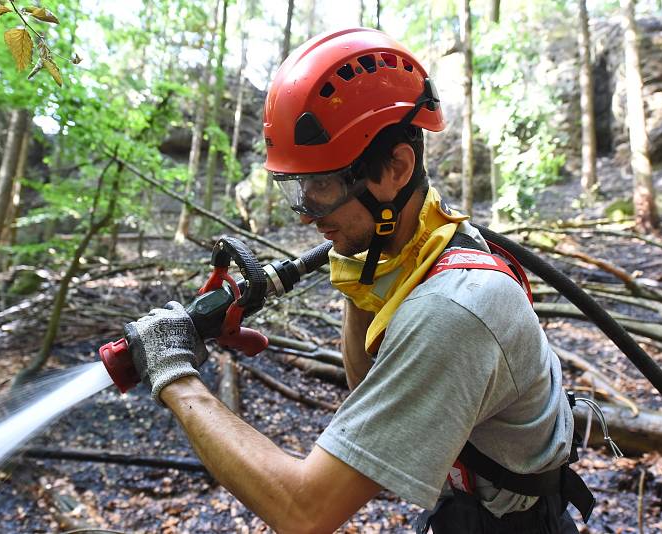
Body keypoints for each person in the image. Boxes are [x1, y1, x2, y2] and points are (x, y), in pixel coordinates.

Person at [125, 28, 592, 533]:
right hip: (466, 513)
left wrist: (174, 373)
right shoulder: (424, 243)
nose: (307, 214)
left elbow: (305, 513)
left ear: (396, 167)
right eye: (297, 188)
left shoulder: (454, 309)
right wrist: (359, 280)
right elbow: (366, 392)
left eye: (322, 185)